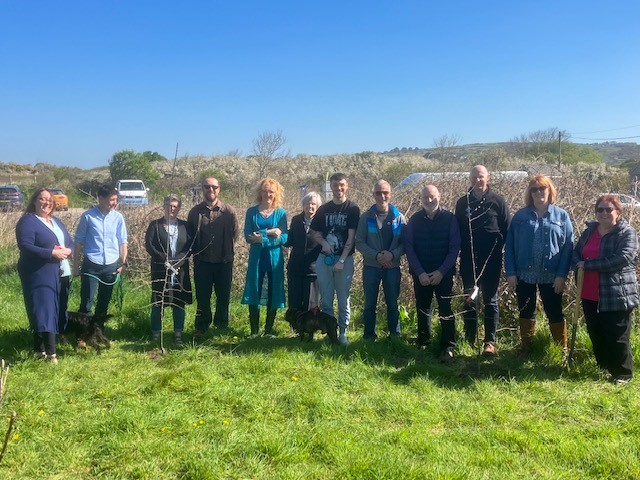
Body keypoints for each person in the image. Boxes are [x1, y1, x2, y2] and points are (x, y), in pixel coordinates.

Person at [505, 175, 574, 356]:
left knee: (554, 311)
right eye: (534, 189)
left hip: (551, 275)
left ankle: (561, 350)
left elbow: (568, 247)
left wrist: (562, 275)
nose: (538, 192)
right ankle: (526, 348)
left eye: (542, 188)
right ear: (530, 193)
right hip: (524, 274)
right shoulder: (520, 216)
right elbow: (509, 245)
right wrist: (511, 272)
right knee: (526, 310)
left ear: (549, 190)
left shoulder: (561, 216)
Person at [573, 194, 638, 384]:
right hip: (589, 291)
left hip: (616, 293)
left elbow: (623, 258)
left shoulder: (627, 233)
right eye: (599, 209)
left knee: (617, 334)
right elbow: (576, 253)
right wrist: (578, 263)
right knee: (596, 331)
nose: (603, 213)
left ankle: (622, 373)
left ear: (618, 211)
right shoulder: (589, 231)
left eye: (608, 209)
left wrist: (588, 265)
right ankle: (604, 366)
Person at [454, 165, 510, 355]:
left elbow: (506, 230)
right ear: (470, 179)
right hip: (469, 261)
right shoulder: (462, 203)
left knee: (490, 300)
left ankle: (489, 342)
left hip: (492, 260)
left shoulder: (498, 201)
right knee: (470, 299)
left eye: (481, 177)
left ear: (488, 178)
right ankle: (469, 339)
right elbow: (457, 232)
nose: (478, 180)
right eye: (474, 177)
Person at [16, 188, 73, 363]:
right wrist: (50, 253)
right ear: (34, 201)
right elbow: (26, 246)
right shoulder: (28, 221)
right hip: (39, 273)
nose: (46, 202)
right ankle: (51, 354)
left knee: (55, 310)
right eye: (42, 199)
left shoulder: (55, 221)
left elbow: (68, 241)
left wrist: (70, 249)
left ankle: (38, 351)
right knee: (44, 310)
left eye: (49, 200)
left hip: (60, 272)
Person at [405, 185, 461, 361]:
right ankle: (424, 342)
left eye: (432, 197)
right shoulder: (414, 220)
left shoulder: (450, 219)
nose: (429, 200)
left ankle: (448, 346)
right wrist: (420, 272)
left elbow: (454, 248)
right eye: (425, 197)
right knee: (423, 308)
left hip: (443, 274)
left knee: (446, 309)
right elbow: (409, 248)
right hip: (420, 274)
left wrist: (441, 271)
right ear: (421, 199)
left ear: (439, 197)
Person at [310, 173, 360, 345]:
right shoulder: (323, 209)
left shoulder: (352, 208)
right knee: (326, 297)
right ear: (330, 187)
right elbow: (314, 232)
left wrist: (342, 260)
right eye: (335, 185)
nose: (339, 189)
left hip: (344, 260)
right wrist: (323, 243)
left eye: (342, 185)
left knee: (343, 297)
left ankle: (343, 332)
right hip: (324, 260)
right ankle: (330, 331)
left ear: (347, 186)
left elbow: (351, 237)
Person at [187, 177, 239, 336]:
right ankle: (202, 326)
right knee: (203, 297)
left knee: (223, 296)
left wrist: (225, 250)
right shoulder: (195, 212)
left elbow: (234, 234)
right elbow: (190, 235)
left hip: (224, 262)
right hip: (202, 262)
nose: (211, 190)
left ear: (219, 189)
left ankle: (222, 325)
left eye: (214, 187)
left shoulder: (228, 211)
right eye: (207, 187)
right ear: (202, 189)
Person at [355, 180, 406, 341]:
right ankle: (369, 336)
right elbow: (359, 242)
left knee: (393, 303)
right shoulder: (366, 217)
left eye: (385, 193)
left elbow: (406, 243)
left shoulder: (399, 217)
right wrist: (377, 256)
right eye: (378, 193)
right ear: (373, 195)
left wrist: (392, 255)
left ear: (390, 194)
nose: (382, 196)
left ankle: (394, 335)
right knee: (370, 304)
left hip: (392, 267)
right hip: (371, 267)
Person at [242, 178, 288, 337]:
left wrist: (260, 237)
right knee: (254, 290)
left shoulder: (281, 213)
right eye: (265, 191)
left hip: (274, 260)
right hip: (257, 259)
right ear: (260, 192)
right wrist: (269, 233)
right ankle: (254, 331)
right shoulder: (251, 212)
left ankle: (268, 331)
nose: (268, 194)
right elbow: (248, 237)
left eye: (271, 191)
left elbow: (284, 238)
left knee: (273, 292)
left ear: (276, 193)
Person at [73, 184, 127, 321]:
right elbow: (78, 242)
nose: (114, 203)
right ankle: (83, 336)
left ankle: (98, 331)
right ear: (101, 199)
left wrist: (123, 263)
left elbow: (123, 241)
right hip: (91, 264)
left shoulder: (118, 218)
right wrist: (75, 266)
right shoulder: (88, 217)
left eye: (116, 199)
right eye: (111, 200)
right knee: (86, 301)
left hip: (111, 265)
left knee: (104, 301)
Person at [144, 195, 193, 346]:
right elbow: (149, 245)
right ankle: (156, 334)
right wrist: (164, 260)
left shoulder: (185, 226)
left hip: (180, 271)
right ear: (163, 207)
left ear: (179, 208)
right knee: (158, 302)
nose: (172, 209)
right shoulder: (155, 225)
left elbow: (189, 247)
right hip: (160, 269)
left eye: (175, 206)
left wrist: (177, 261)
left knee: (178, 302)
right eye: (169, 206)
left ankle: (178, 334)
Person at [285, 191, 322, 313]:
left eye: (313, 204)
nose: (310, 206)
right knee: (294, 301)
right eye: (307, 203)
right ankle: (295, 329)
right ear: (303, 205)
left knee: (311, 303)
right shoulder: (296, 220)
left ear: (318, 207)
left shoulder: (322, 222)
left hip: (313, 270)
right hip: (295, 267)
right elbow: (289, 241)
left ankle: (309, 329)